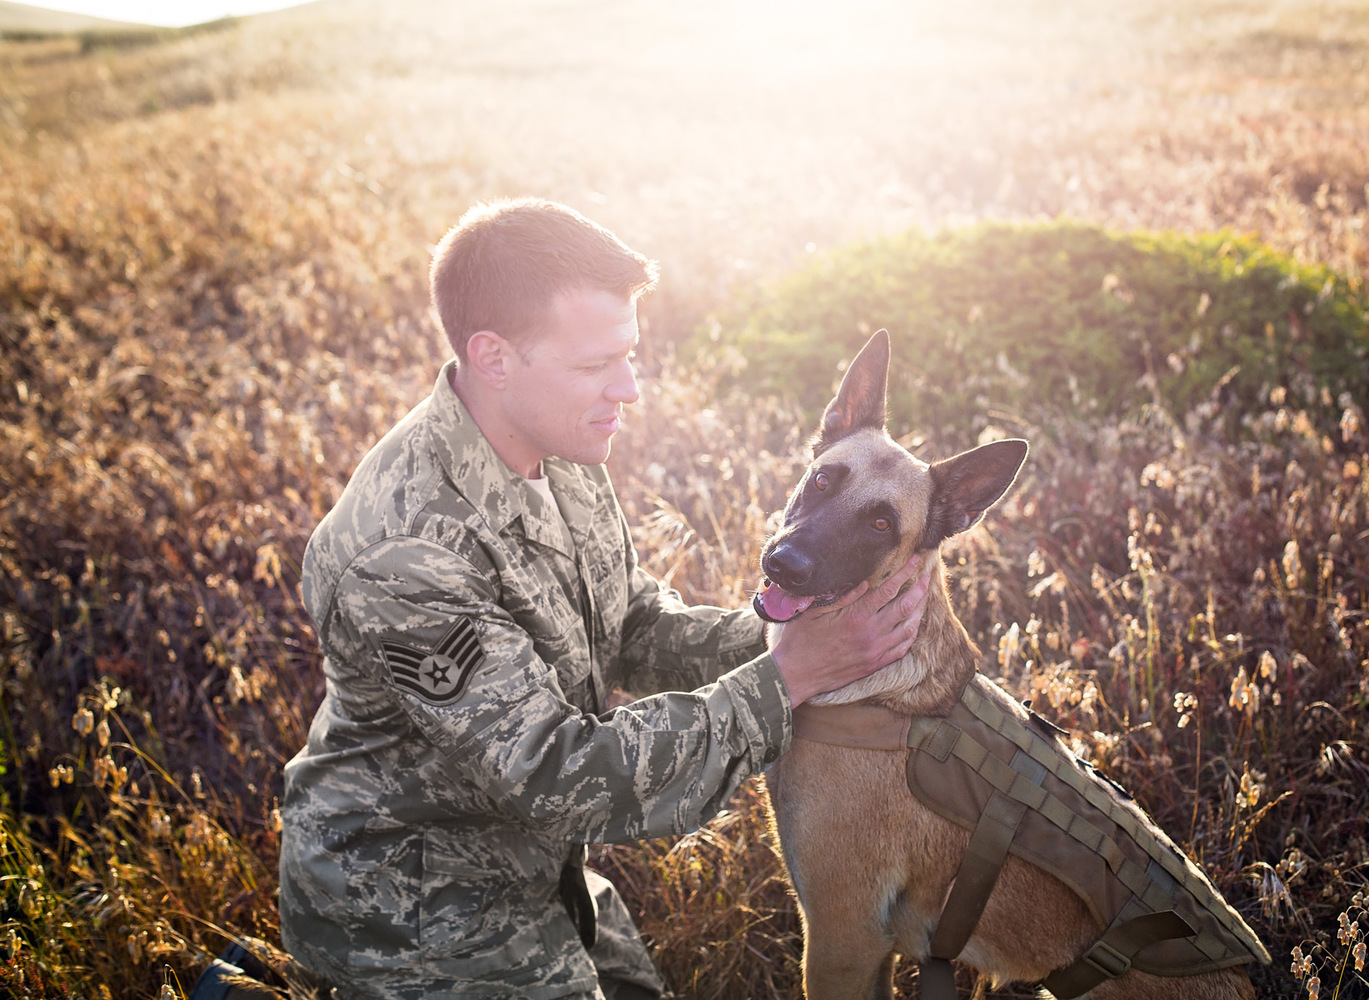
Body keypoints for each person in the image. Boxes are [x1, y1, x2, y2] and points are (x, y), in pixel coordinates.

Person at [276, 198, 930, 1000]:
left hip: (537, 863)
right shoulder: (403, 555)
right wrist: (784, 680)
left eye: (628, 355)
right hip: (412, 900)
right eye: (595, 365)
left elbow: (632, 626)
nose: (628, 389)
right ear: (494, 358)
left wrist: (796, 640)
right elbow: (558, 775)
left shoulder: (559, 442)